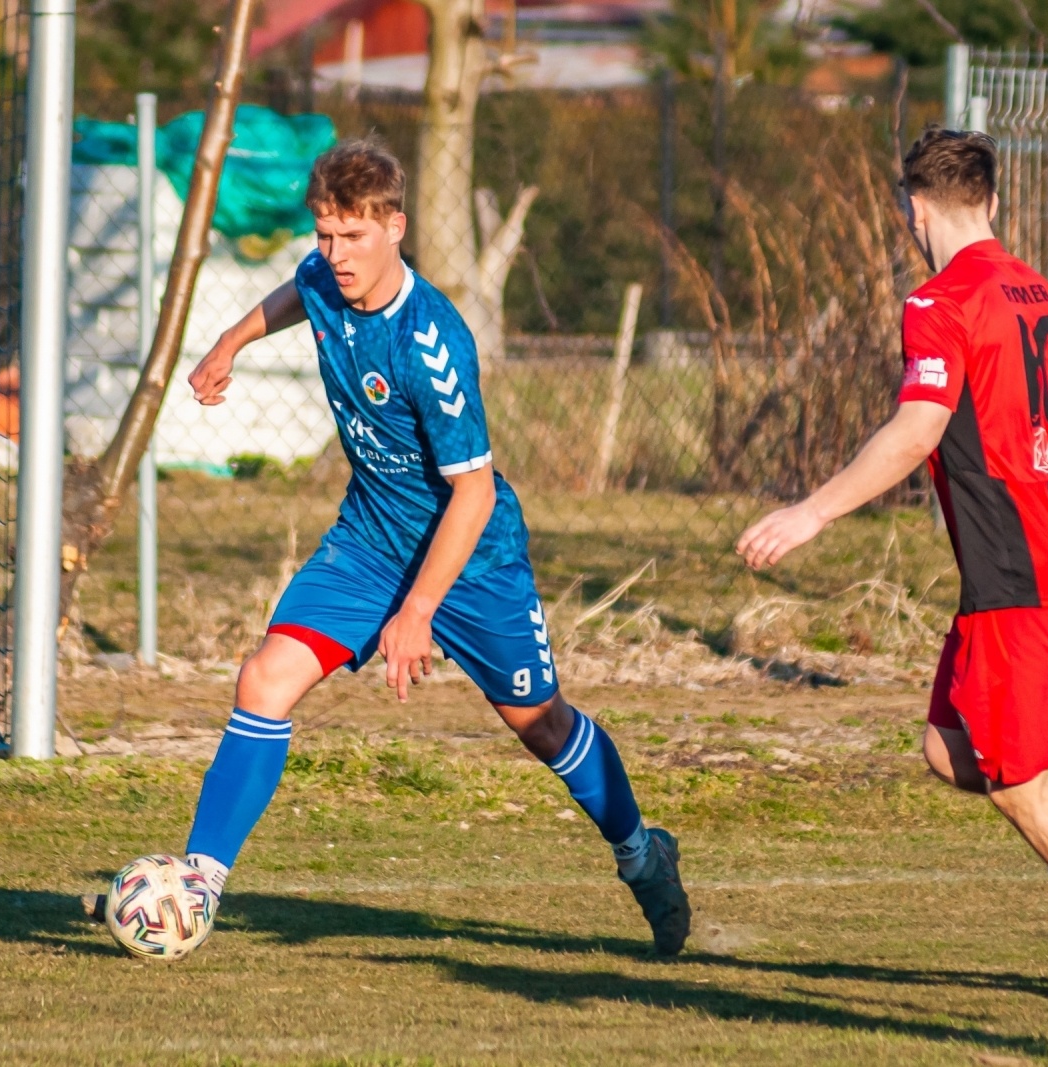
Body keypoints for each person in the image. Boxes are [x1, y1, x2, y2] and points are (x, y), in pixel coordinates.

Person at [93, 138, 690, 956]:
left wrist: (420, 610)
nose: (335, 255)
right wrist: (229, 343)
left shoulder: (432, 344)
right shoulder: (323, 277)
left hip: (472, 558)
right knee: (265, 676)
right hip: (371, 540)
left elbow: (473, 493)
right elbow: (291, 295)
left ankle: (641, 852)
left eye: (354, 237)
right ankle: (199, 881)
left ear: (396, 227)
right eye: (325, 234)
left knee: (541, 724)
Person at [737, 127, 1048, 1008]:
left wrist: (812, 510)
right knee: (953, 748)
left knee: (1019, 782)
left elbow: (918, 429)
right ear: (991, 202)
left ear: (912, 210)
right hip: (1045, 561)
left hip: (1016, 577)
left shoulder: (939, 302)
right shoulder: (1046, 295)